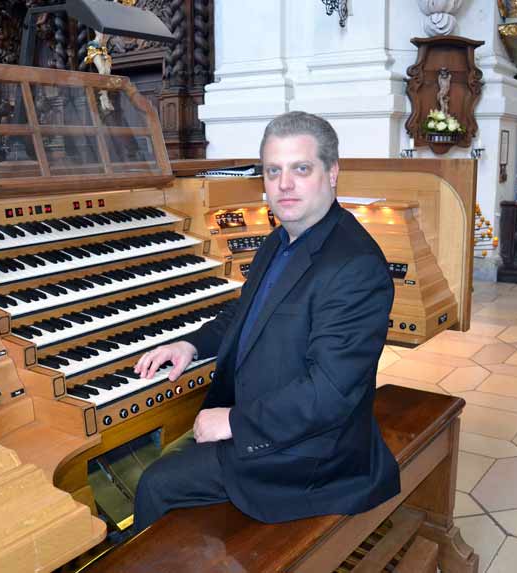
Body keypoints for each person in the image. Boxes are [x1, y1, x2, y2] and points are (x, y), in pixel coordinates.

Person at [131, 111, 399, 531]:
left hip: (311, 453)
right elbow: (247, 312)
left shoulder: (355, 266)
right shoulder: (281, 239)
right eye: (273, 171)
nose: (284, 184)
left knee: (155, 484)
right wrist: (192, 345)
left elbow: (329, 393)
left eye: (301, 169)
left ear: (332, 174)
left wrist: (234, 422)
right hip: (275, 416)